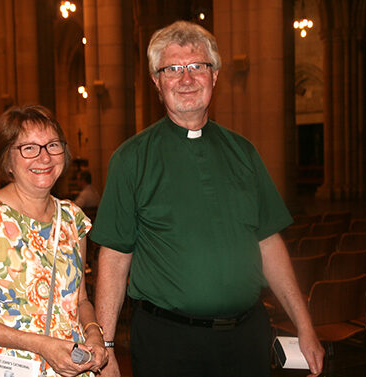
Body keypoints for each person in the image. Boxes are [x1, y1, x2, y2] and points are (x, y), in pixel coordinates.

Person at [90, 21, 325, 377]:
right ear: (157, 82)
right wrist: (106, 346)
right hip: (168, 343)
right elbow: (115, 256)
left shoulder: (244, 152)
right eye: (173, 69)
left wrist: (304, 325)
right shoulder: (131, 158)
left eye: (198, 66)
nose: (186, 79)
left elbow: (269, 243)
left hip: (246, 337)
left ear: (214, 76)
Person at [0, 105, 107, 377]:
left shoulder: (72, 219)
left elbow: (80, 300)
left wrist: (94, 334)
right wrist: (42, 345)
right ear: (7, 160)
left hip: (71, 367)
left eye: (52, 145)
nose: (44, 157)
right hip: (10, 368)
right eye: (29, 148)